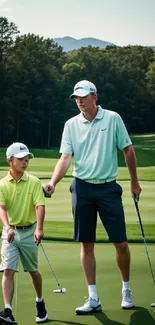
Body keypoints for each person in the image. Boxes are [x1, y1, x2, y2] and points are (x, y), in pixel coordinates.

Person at [44, 80, 142, 315]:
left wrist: (135, 182)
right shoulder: (70, 125)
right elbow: (66, 158)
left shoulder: (112, 118)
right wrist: (52, 182)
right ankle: (93, 297)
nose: (78, 101)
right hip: (82, 188)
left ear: (94, 96)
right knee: (86, 244)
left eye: (83, 97)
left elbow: (127, 149)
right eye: (76, 98)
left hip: (108, 188)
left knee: (121, 242)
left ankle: (126, 290)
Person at [0, 142, 48, 324]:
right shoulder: (2, 184)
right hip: (10, 232)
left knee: (33, 271)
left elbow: (40, 206)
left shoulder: (34, 182)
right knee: (8, 271)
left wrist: (39, 228)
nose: (25, 162)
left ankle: (40, 301)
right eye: (21, 159)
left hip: (29, 232)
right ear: (10, 161)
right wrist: (7, 227)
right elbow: (1, 209)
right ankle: (8, 311)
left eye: (27, 159)